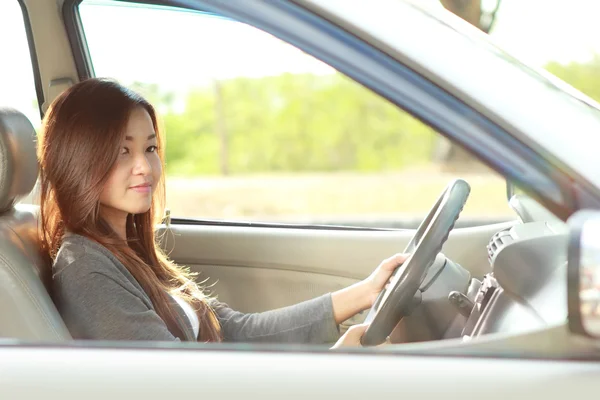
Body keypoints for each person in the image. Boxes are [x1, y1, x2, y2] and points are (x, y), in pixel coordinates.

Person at [38, 78, 406, 347]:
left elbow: (236, 330)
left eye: (150, 149)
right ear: (79, 160)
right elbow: (174, 384)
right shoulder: (85, 267)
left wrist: (365, 292)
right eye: (123, 152)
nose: (145, 167)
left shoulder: (127, 252)